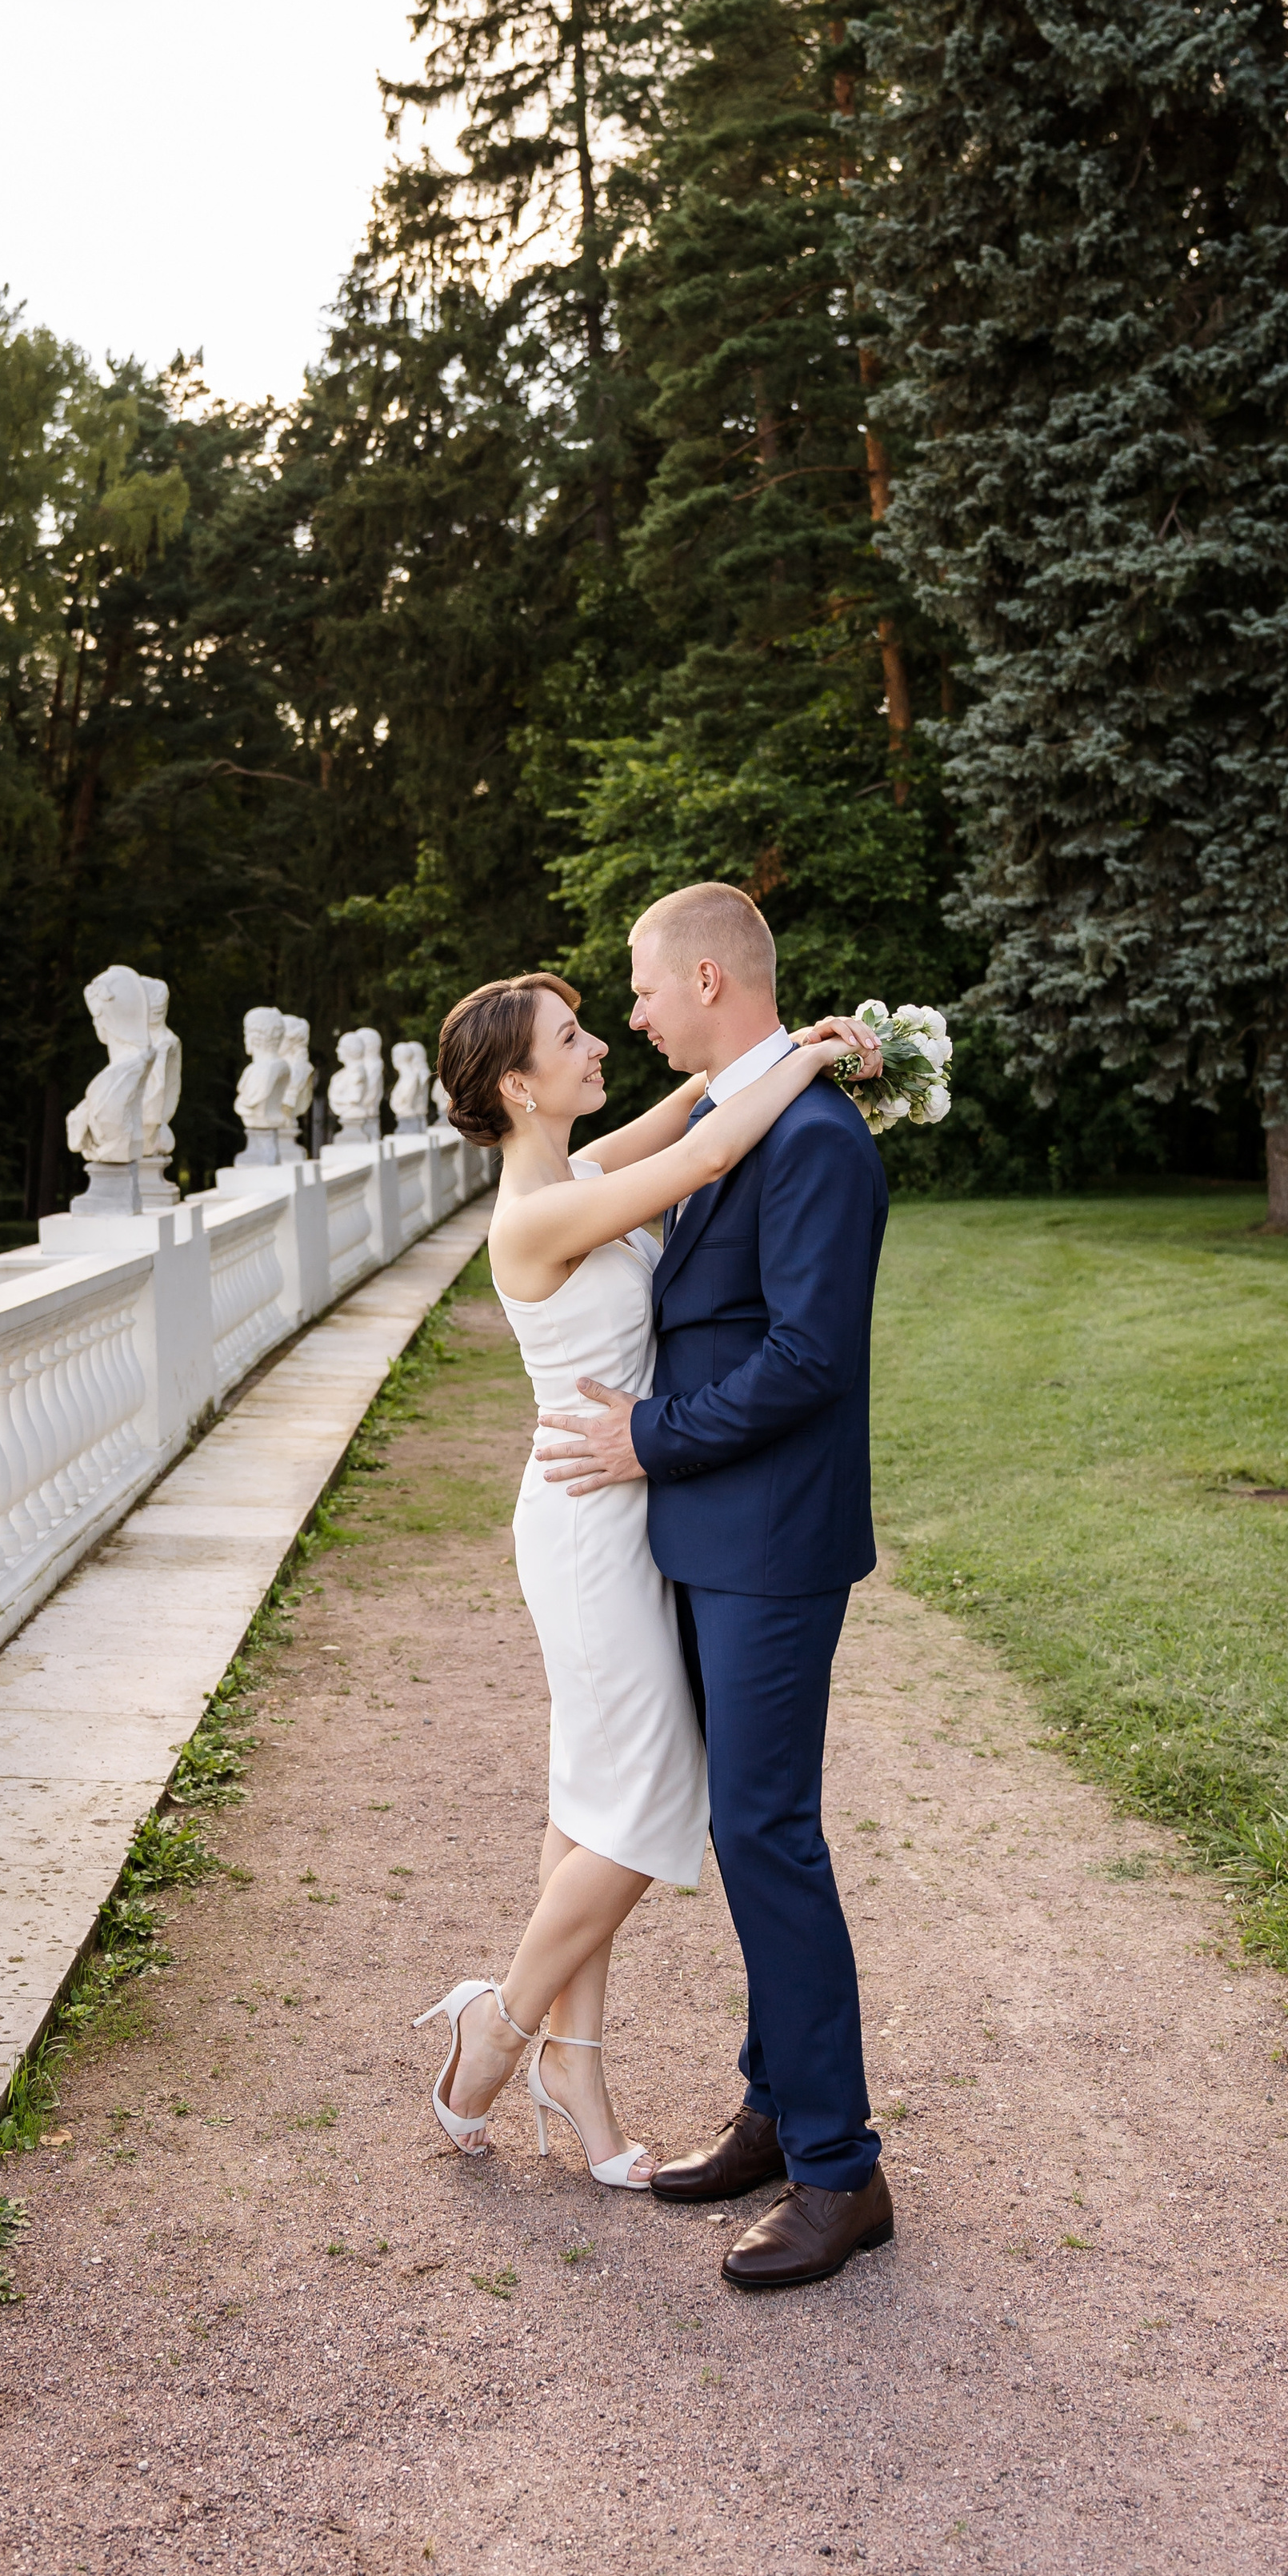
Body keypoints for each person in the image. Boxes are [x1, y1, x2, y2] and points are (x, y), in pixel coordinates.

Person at [414, 964, 878, 2203]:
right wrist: (820, 1053)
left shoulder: (569, 1170)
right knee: (649, 1801)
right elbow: (719, 1142)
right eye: (573, 1036)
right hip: (587, 1523)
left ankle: (579, 2071)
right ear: (519, 1085)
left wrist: (760, 1049)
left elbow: (686, 1108)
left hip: (629, 1503)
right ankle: (498, 2028)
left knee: (589, 1798)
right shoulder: (533, 1211)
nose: (600, 1041)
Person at [531, 882, 894, 2291]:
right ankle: (775, 2106)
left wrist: (645, 1438)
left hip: (770, 1545)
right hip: (704, 1534)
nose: (629, 1013)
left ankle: (841, 2171)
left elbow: (809, 1361)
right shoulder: (734, 1117)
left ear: (704, 978)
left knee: (767, 1832)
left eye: (638, 987)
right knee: (744, 1832)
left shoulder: (812, 1141)